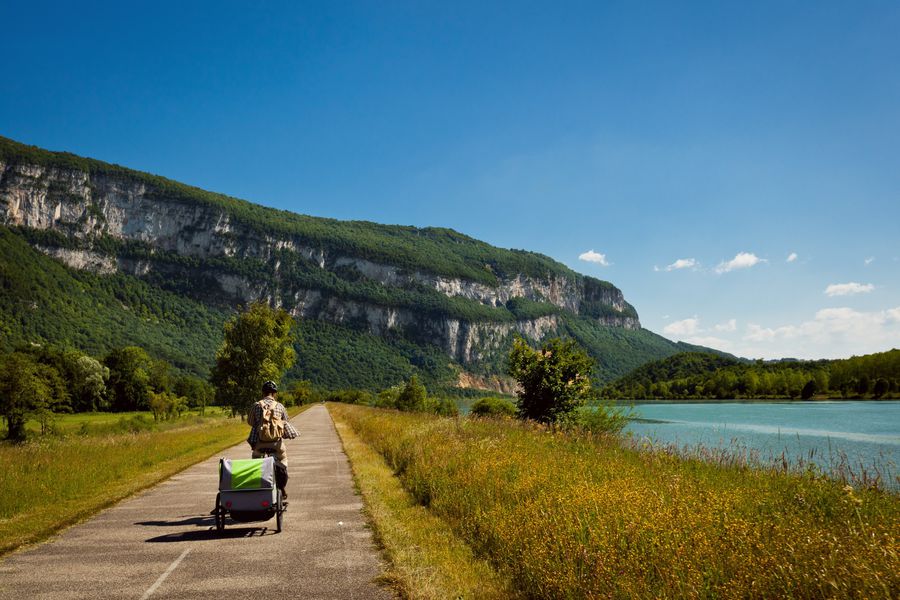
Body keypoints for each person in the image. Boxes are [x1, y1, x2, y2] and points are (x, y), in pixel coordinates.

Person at [247, 380, 298, 499]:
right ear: (274, 394)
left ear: (263, 392)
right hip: (276, 444)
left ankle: (257, 487)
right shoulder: (280, 406)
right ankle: (282, 488)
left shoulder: (256, 405)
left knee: (256, 461)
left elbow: (250, 422)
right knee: (283, 460)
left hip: (259, 444)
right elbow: (286, 421)